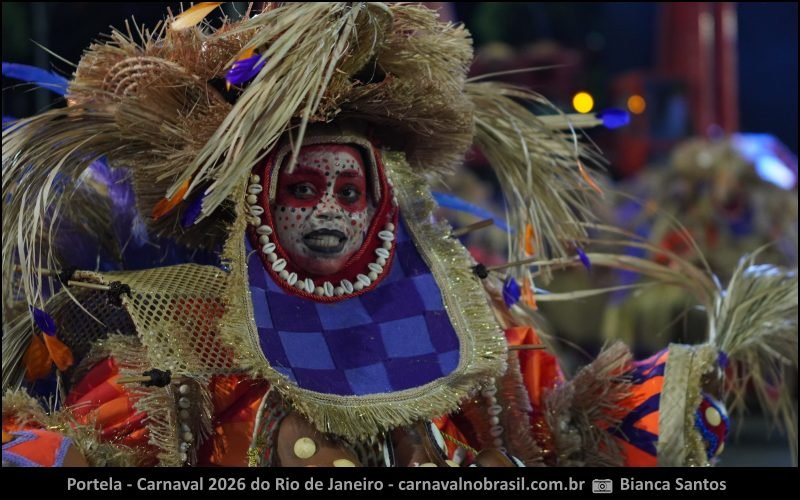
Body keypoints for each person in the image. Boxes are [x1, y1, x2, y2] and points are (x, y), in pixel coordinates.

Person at [2, 2, 796, 467]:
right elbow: (77, 445)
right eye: (302, 189)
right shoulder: (179, 337)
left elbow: (558, 435)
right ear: (257, 202)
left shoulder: (477, 330)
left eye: (350, 191)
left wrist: (661, 405)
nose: (328, 210)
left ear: (385, 202)